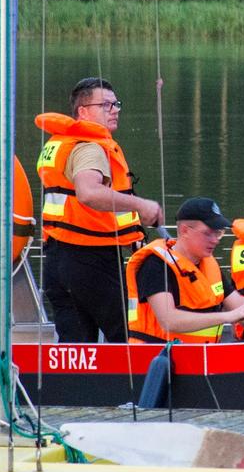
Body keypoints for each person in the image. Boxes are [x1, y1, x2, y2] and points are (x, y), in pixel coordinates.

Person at [36, 77, 164, 343]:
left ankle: (73, 385)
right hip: (90, 260)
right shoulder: (89, 149)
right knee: (127, 335)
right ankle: (133, 385)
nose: (115, 109)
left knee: (76, 346)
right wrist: (142, 205)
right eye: (106, 105)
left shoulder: (61, 143)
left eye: (116, 104)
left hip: (57, 261)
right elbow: (88, 192)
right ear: (83, 111)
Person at [125, 197, 244, 343]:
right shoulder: (155, 264)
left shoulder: (209, 265)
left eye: (218, 233)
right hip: (158, 362)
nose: (215, 240)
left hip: (199, 360)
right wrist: (227, 316)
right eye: (208, 233)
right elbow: (169, 320)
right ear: (185, 230)